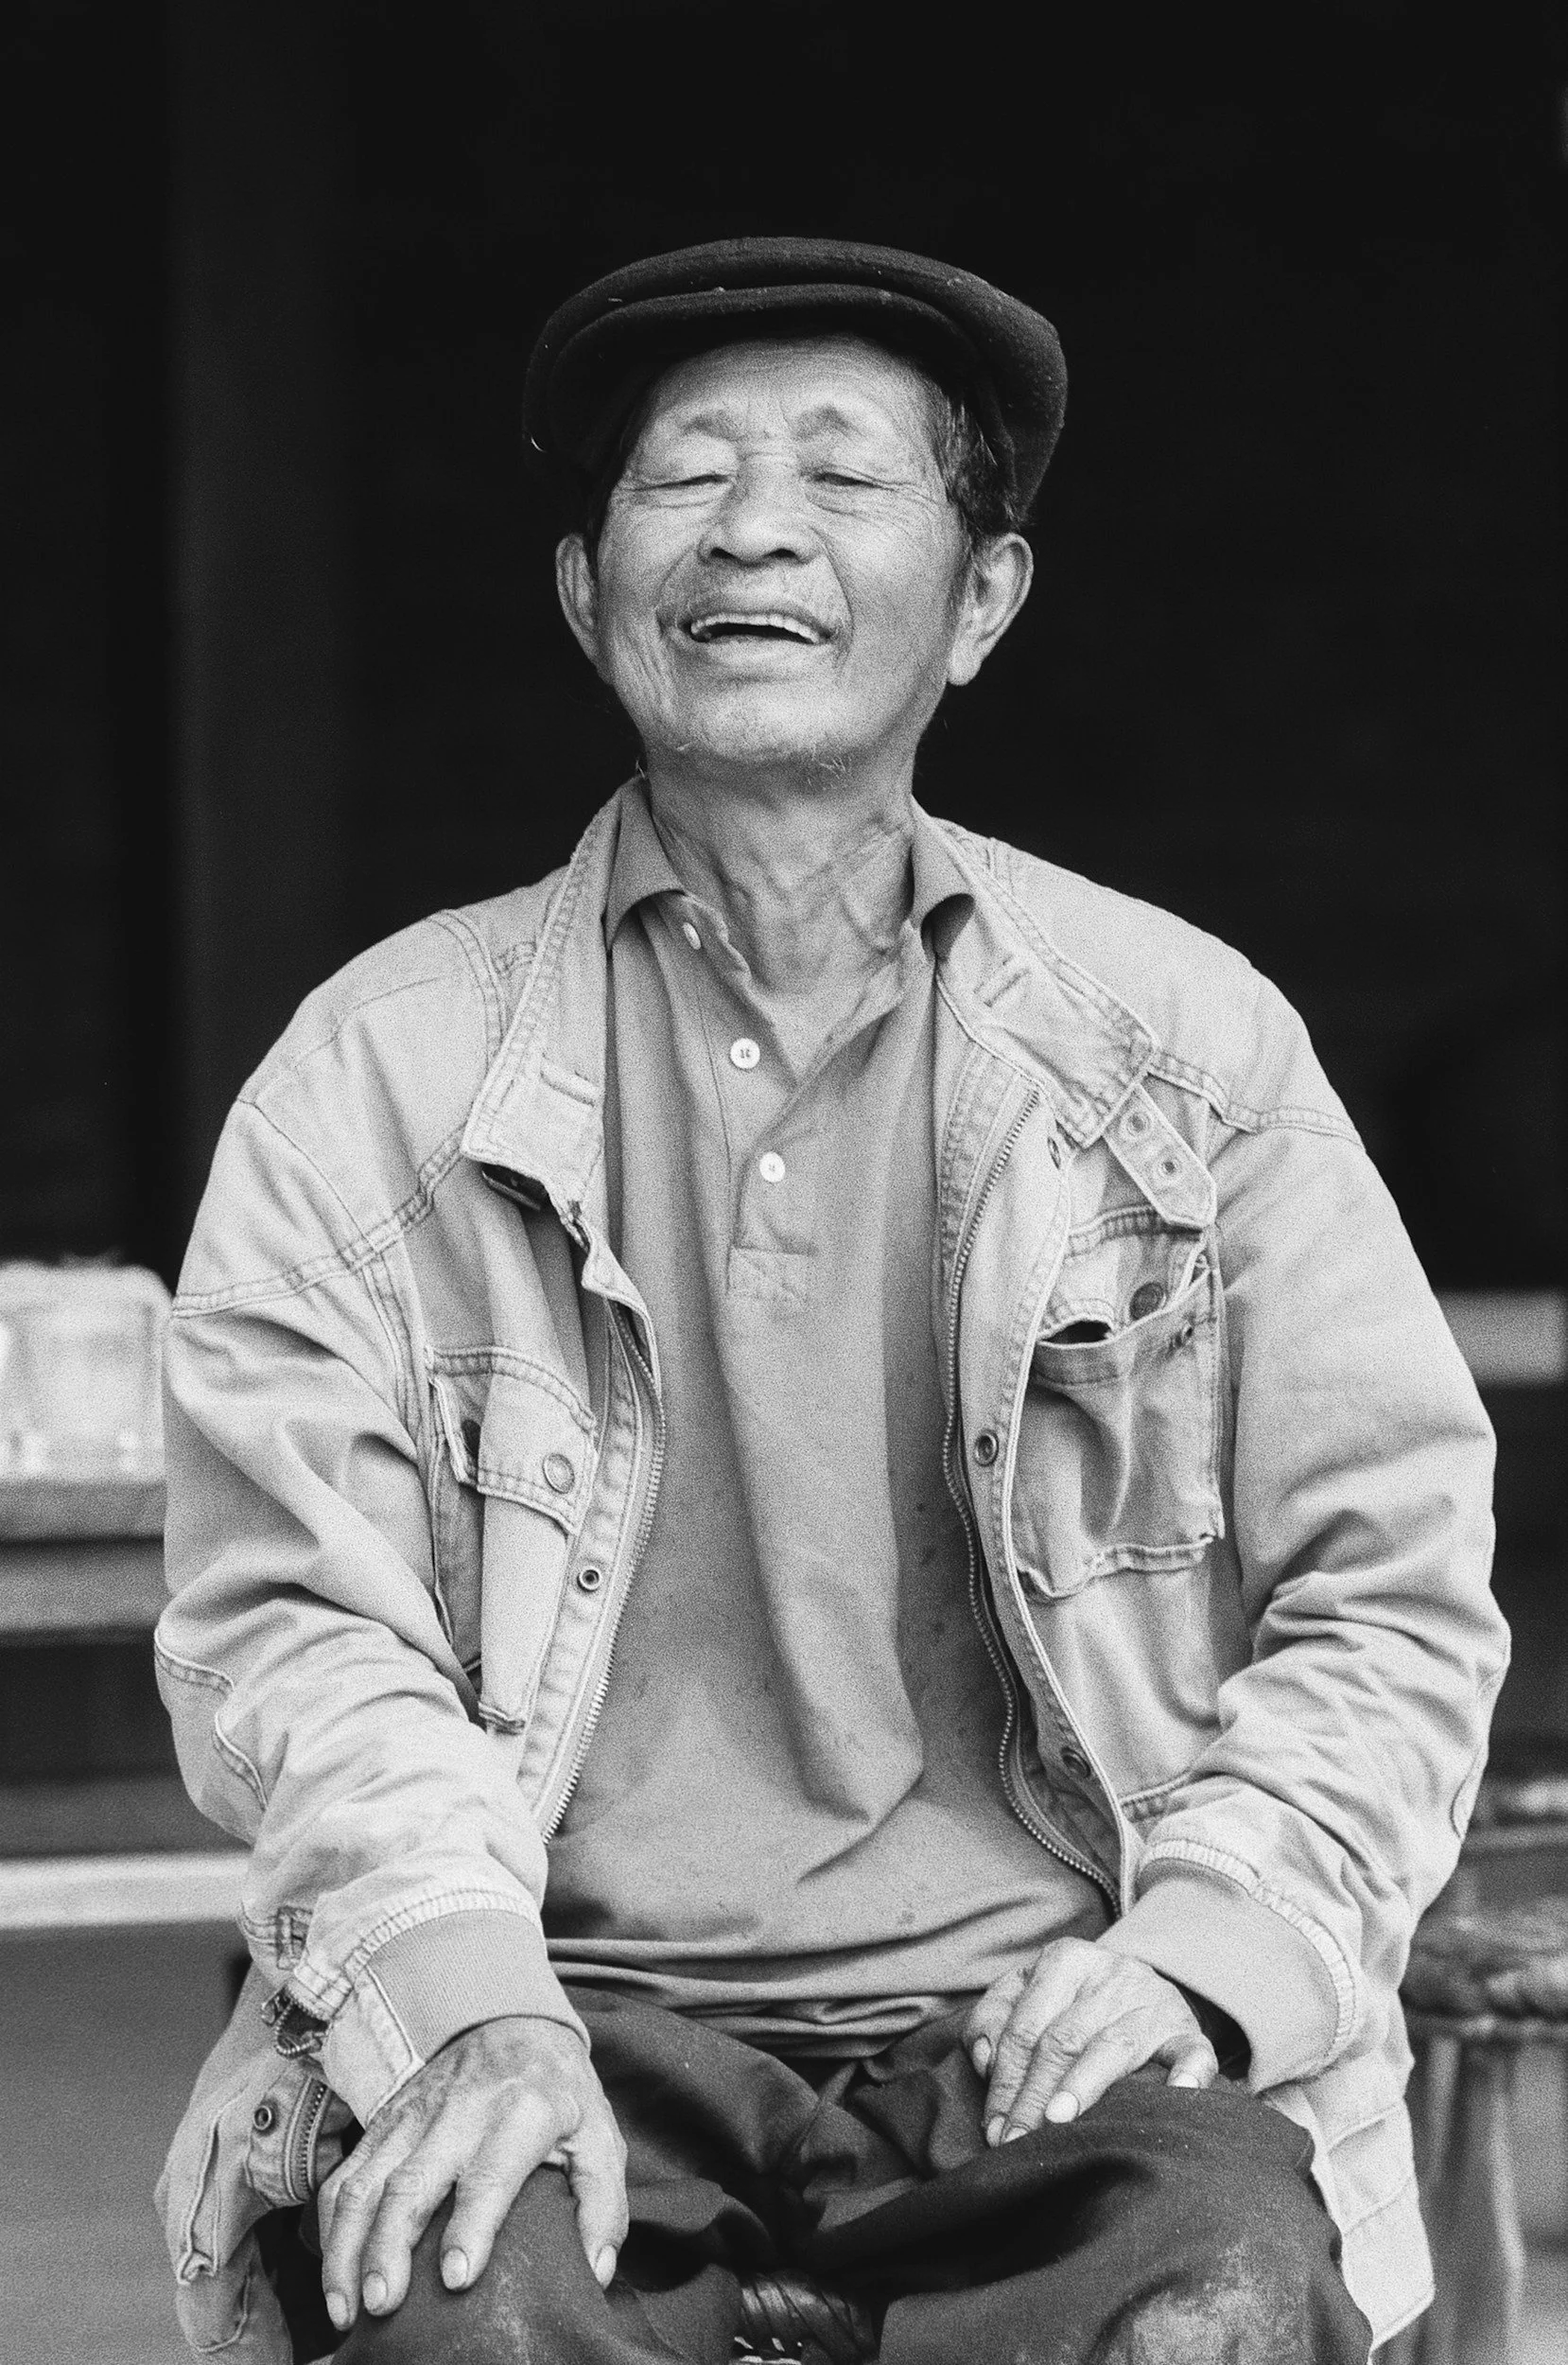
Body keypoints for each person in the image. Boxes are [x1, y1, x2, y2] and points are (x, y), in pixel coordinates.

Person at [154, 238, 1505, 2365]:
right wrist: (468, 2000)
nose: (752, 529)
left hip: (1051, 2010)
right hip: (573, 2004)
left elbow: (1394, 1588)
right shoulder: (375, 1077)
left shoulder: (1183, 1052)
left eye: (841, 476)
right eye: (685, 476)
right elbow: (291, 1631)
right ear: (588, 594)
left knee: (1215, 2300)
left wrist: (1201, 1950)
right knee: (445, 2304)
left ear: (981, 602)